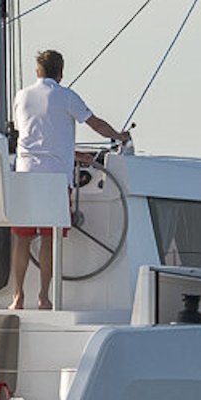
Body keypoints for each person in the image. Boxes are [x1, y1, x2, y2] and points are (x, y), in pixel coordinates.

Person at [8, 49, 128, 309]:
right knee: (49, 238)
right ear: (60, 73)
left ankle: (18, 296)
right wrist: (119, 136)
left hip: (25, 174)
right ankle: (43, 297)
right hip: (55, 178)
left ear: (37, 72)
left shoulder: (21, 96)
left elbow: (33, 136)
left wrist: (73, 152)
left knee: (23, 238)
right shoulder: (67, 96)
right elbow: (95, 124)